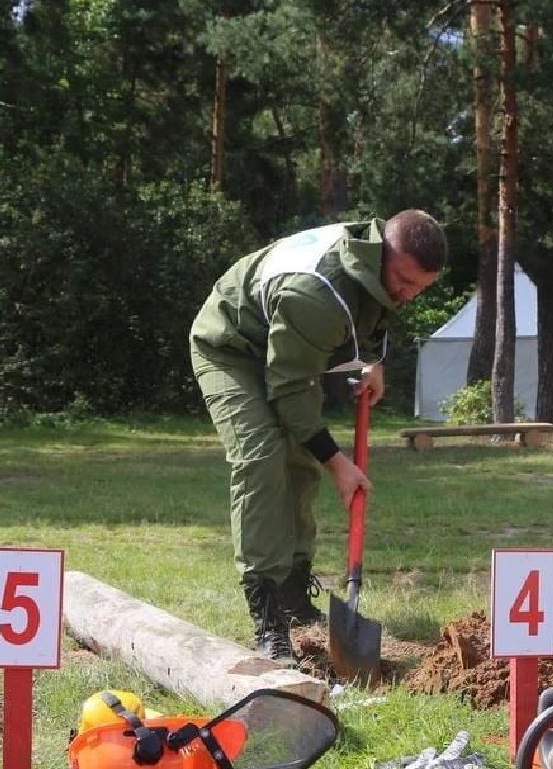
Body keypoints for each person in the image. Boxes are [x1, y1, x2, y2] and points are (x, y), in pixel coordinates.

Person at [190, 211, 446, 666]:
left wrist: (372, 363)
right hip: (231, 346)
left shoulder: (379, 272)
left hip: (284, 350)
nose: (408, 295)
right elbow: (287, 389)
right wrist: (339, 464)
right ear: (381, 254)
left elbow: (372, 314)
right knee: (262, 457)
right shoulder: (317, 293)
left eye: (419, 288)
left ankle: (293, 590)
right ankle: (267, 613)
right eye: (404, 281)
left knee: (300, 462)